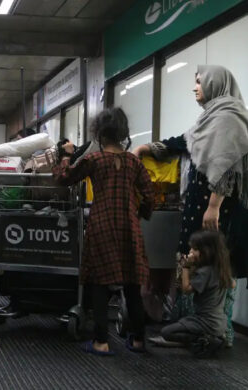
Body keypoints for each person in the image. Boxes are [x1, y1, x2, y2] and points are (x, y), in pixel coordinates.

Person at [133, 65, 248, 347]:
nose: (194, 87)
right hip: (200, 210)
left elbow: (228, 165)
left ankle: (217, 334)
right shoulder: (208, 119)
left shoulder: (230, 119)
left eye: (199, 82)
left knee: (214, 265)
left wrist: (214, 206)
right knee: (195, 262)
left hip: (218, 214)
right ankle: (191, 330)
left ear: (215, 83)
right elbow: (183, 143)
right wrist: (145, 149)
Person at [53, 107, 155, 355]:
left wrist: (66, 155)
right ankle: (139, 340)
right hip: (129, 228)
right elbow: (150, 195)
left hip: (101, 226)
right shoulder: (133, 161)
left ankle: (101, 342)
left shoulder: (94, 160)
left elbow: (64, 178)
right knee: (132, 284)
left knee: (99, 283)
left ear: (99, 132)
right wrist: (139, 213)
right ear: (123, 132)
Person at [154, 230, 234, 358]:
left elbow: (186, 289)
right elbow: (232, 284)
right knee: (182, 323)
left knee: (166, 332)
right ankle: (208, 338)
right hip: (219, 322)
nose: (190, 251)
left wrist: (186, 266)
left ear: (207, 251)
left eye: (194, 249)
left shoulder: (205, 272)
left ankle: (204, 340)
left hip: (205, 322)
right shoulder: (221, 269)